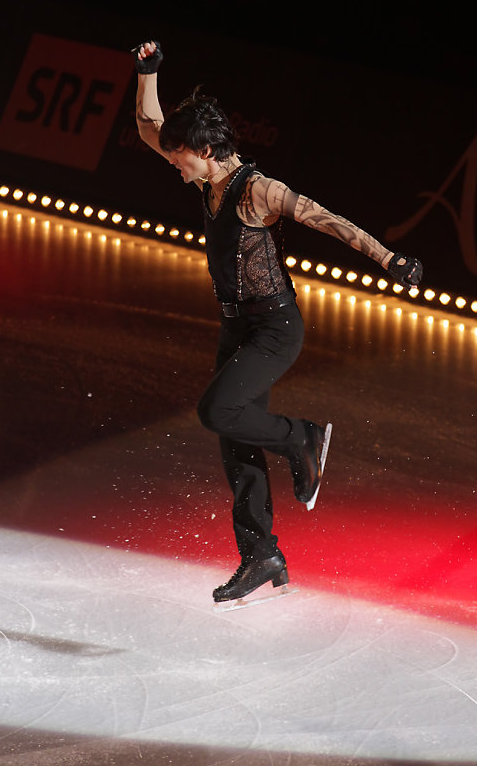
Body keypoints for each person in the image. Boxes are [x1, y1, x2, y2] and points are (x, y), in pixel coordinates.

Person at [132, 40, 423, 604]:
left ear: (207, 148)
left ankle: (303, 438)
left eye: (180, 157)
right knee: (233, 435)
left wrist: (389, 259)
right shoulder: (205, 178)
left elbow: (326, 220)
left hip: (274, 329)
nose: (174, 164)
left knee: (218, 411)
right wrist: (147, 74)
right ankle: (261, 555)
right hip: (236, 327)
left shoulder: (256, 191)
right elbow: (151, 127)